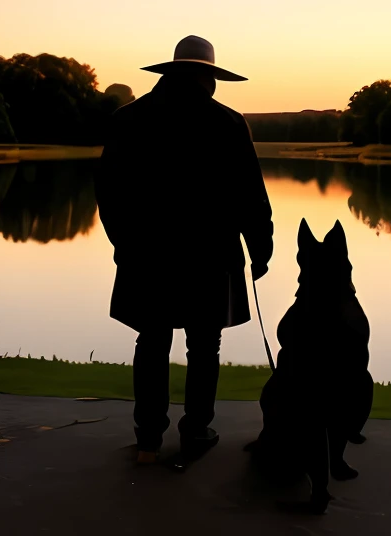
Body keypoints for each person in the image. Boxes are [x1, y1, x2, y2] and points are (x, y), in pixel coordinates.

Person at [96, 35, 273, 467]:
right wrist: (261, 249)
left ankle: (148, 440)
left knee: (152, 341)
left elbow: (108, 191)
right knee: (204, 344)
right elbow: (251, 196)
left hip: (146, 254)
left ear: (171, 73)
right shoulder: (228, 123)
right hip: (209, 256)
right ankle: (195, 431)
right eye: (211, 77)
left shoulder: (128, 119)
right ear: (205, 77)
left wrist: (123, 244)